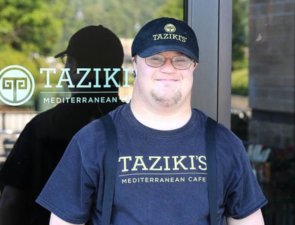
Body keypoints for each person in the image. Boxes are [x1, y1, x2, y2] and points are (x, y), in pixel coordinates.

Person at [36, 17, 267, 225]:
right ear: (135, 64)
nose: (168, 69)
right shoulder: (92, 141)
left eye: (180, 60)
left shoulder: (224, 144)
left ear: (194, 66)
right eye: (155, 59)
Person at [0, 25, 124, 225]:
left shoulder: (42, 127)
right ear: (118, 74)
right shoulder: (136, 127)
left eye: (67, 64)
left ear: (74, 69)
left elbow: (11, 200)